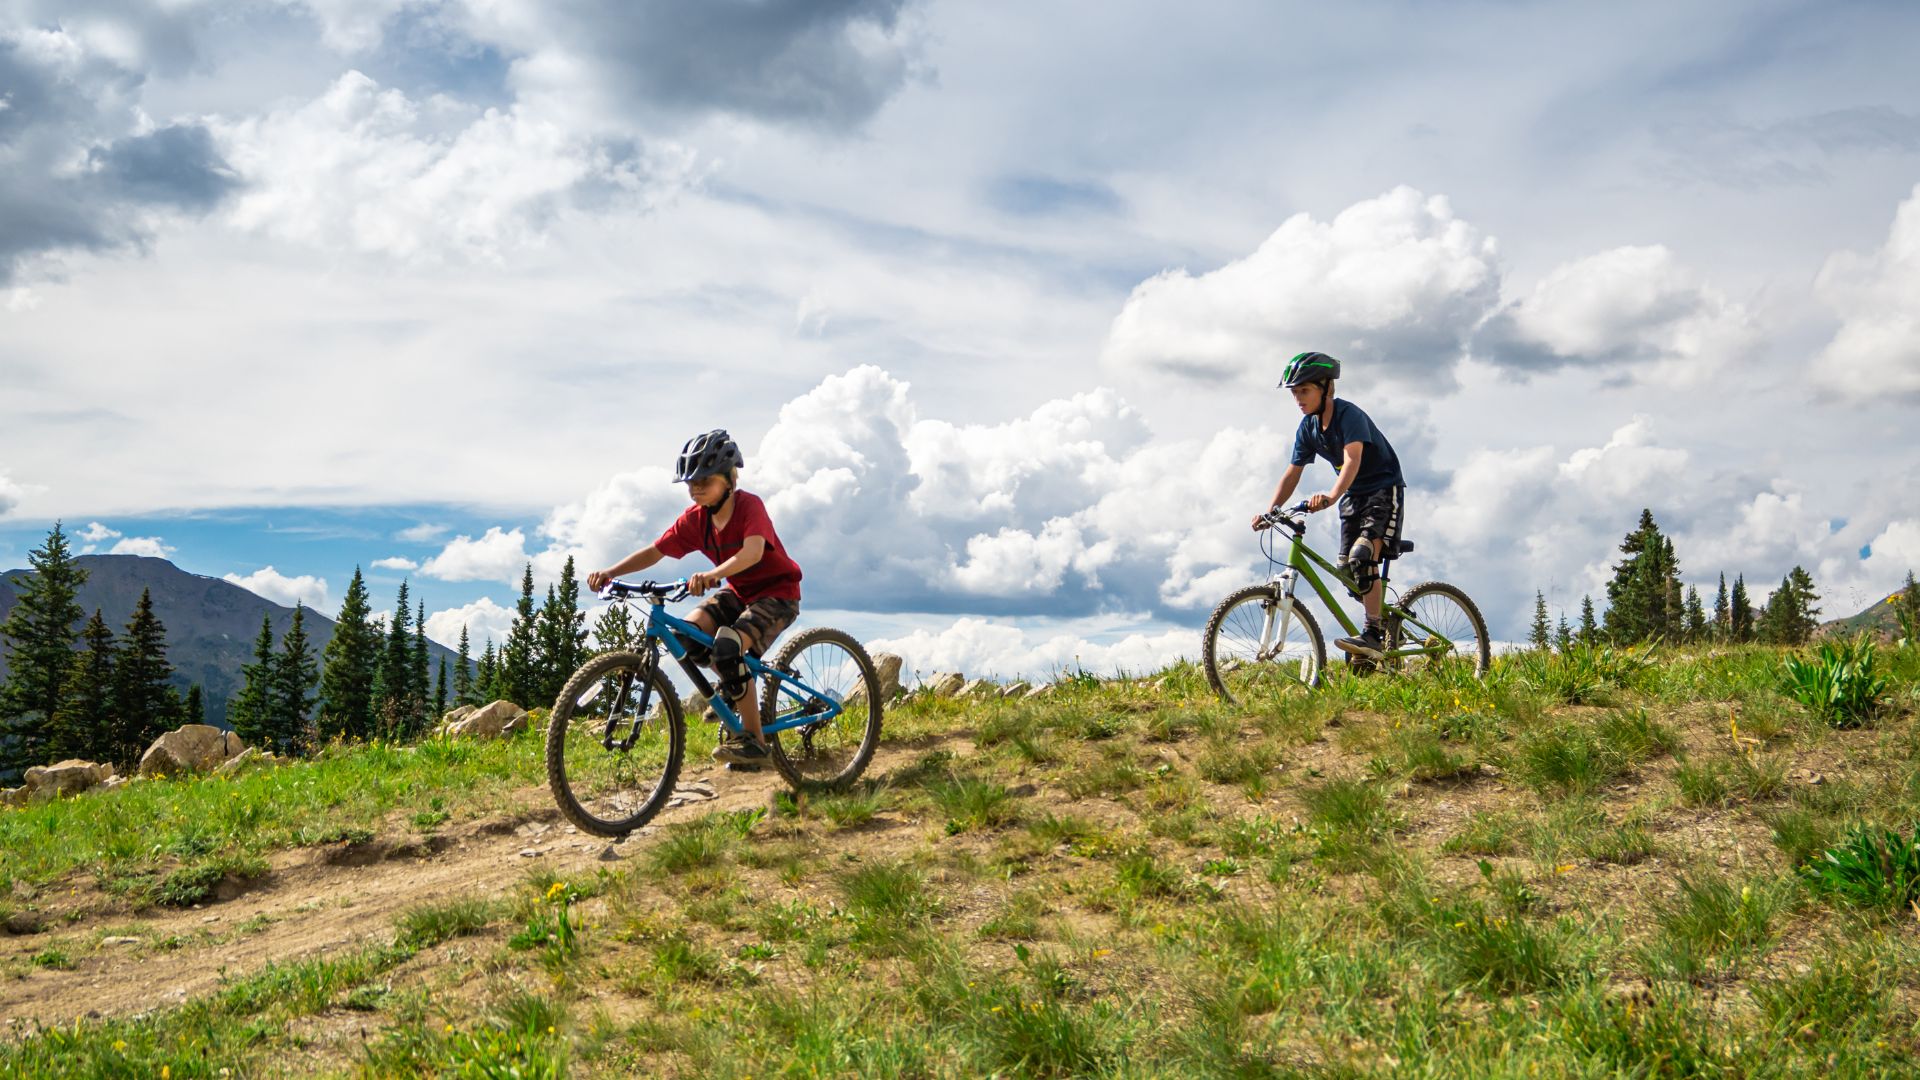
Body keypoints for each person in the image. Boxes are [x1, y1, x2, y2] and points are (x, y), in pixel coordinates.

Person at [587, 430, 803, 767]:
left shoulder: (749, 506)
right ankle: (735, 693)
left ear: (730, 479)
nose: (695, 488)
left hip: (777, 593)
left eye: (705, 480)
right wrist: (611, 572)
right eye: (690, 482)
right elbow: (655, 551)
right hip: (739, 592)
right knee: (688, 634)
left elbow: (753, 552)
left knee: (729, 647)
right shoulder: (695, 520)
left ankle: (754, 742)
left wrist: (715, 575)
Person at [1252, 351, 1406, 660]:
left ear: (1327, 389)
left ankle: (1373, 633)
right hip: (1352, 497)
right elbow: (1292, 472)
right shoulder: (1307, 428)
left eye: (1305, 390)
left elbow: (1353, 459)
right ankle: (1388, 624)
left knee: (1362, 557)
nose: (1298, 398)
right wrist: (1271, 511)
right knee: (1347, 572)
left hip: (1382, 489)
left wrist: (1332, 495)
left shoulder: (1349, 416)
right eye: (1295, 392)